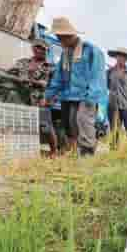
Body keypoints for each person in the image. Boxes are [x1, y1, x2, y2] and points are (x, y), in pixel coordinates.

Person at [45, 17, 107, 157]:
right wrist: (49, 96)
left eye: (61, 38)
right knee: (69, 126)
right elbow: (58, 78)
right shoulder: (65, 54)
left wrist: (90, 98)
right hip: (68, 95)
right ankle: (74, 154)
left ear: (69, 36)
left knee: (83, 121)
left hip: (86, 96)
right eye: (58, 37)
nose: (60, 41)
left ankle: (87, 155)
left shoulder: (91, 51)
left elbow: (97, 76)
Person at [7, 39, 57, 156]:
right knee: (21, 124)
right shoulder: (22, 62)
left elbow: (54, 85)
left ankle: (54, 151)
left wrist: (51, 100)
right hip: (22, 98)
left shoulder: (50, 67)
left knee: (45, 125)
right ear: (33, 48)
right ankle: (22, 150)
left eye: (44, 49)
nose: (41, 50)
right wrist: (17, 80)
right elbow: (9, 74)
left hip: (40, 99)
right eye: (38, 47)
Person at [106, 47, 127, 134]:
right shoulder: (109, 72)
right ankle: (114, 148)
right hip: (113, 105)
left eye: (124, 57)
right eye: (119, 56)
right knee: (114, 131)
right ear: (116, 57)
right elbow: (107, 85)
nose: (122, 58)